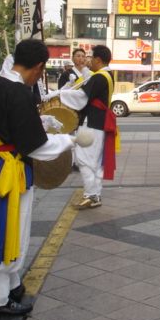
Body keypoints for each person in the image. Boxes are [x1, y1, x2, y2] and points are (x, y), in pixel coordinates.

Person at [0, 39, 75, 317]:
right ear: (39, 67)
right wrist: (68, 140)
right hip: (9, 172)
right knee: (6, 231)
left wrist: (42, 127)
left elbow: (9, 127)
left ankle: (12, 286)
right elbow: (35, 146)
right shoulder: (18, 92)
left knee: (1, 228)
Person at [59, 46, 119, 209]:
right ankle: (95, 194)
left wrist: (60, 94)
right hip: (99, 122)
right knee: (94, 161)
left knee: (84, 159)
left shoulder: (99, 77)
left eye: (92, 57)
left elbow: (80, 98)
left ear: (98, 59)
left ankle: (91, 195)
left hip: (91, 123)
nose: (89, 60)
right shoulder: (107, 75)